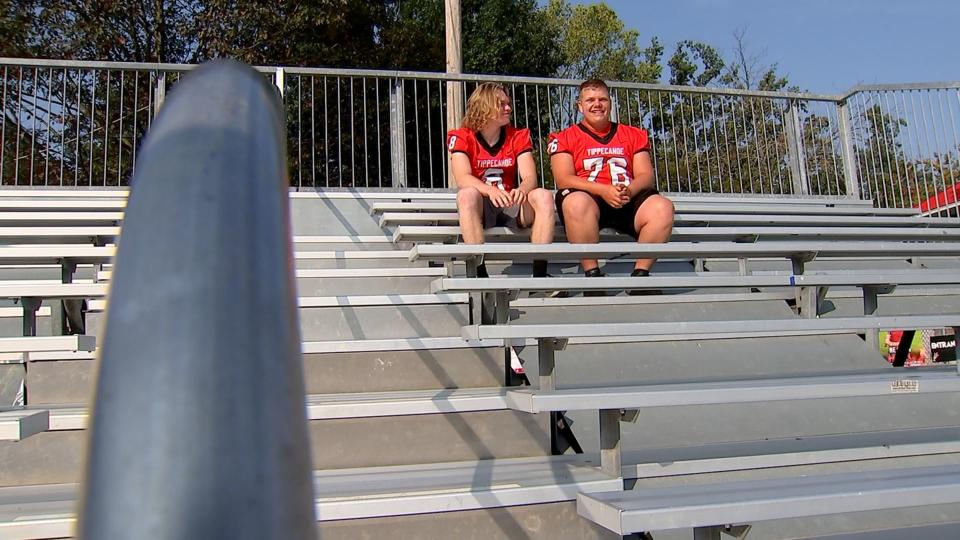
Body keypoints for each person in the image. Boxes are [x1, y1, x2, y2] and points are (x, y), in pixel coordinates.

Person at [548, 79, 674, 295]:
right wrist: (602, 190)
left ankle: (640, 276)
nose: (597, 104)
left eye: (602, 99)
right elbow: (564, 179)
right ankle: (592, 276)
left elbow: (646, 175)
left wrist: (630, 191)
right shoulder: (564, 137)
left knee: (662, 207)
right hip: (589, 199)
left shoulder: (633, 134)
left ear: (610, 103)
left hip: (626, 197)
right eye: (590, 100)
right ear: (579, 105)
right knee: (575, 201)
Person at [447, 82, 555, 279]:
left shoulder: (518, 136)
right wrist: (489, 191)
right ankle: (479, 273)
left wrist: (522, 189)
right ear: (485, 105)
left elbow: (530, 177)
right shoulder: (462, 136)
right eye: (502, 103)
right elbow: (462, 177)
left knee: (544, 196)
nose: (508, 108)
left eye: (508, 103)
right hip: (481, 203)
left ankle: (540, 275)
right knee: (466, 195)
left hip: (509, 201)